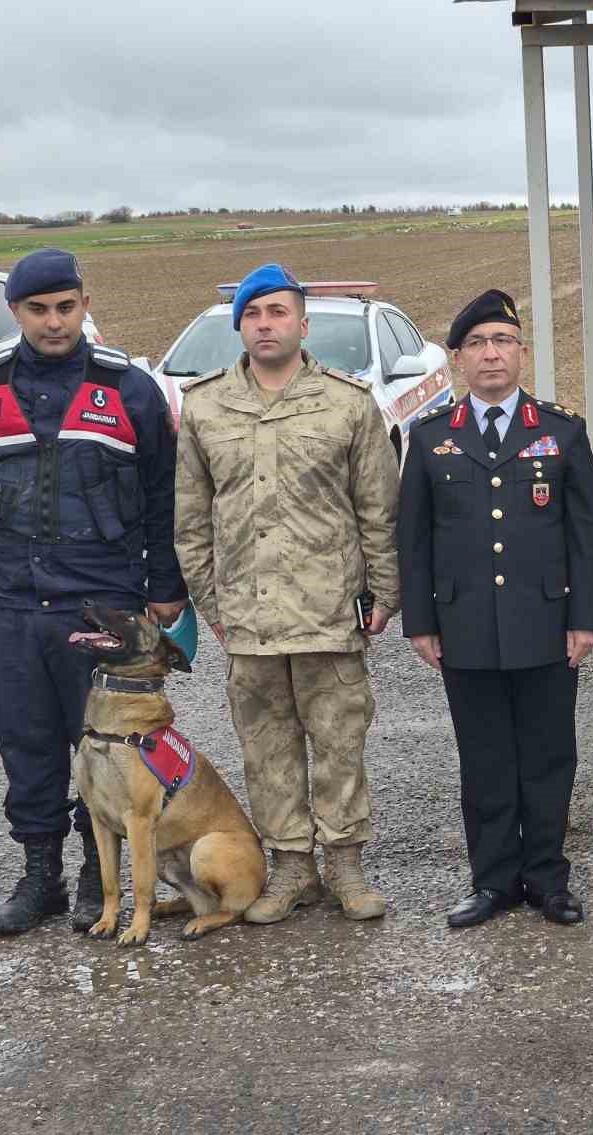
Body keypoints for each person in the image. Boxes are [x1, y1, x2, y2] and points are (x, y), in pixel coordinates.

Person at [0, 249, 186, 936]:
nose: (53, 322)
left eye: (65, 307)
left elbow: (163, 495)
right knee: (25, 741)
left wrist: (166, 585)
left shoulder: (130, 390)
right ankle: (39, 875)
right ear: (15, 312)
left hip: (101, 600)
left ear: (84, 305)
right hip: (11, 601)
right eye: (37, 310)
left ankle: (93, 872)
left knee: (105, 741)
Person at [175, 262, 399, 924]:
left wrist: (385, 591)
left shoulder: (348, 403)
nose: (265, 324)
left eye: (277, 312)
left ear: (302, 323)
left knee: (339, 742)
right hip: (249, 616)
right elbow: (191, 520)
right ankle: (293, 867)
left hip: (329, 611)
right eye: (252, 314)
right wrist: (213, 606)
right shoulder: (205, 407)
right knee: (266, 748)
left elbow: (379, 509)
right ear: (239, 327)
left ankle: (345, 864)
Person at [398, 289, 593, 929]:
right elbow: (414, 538)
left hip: (545, 624)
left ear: (522, 352)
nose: (491, 354)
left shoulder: (561, 431)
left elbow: (584, 535)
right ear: (458, 358)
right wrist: (421, 622)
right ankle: (492, 881)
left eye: (503, 341)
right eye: (478, 344)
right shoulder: (431, 437)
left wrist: (586, 618)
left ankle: (547, 880)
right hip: (464, 627)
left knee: (548, 758)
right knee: (485, 760)